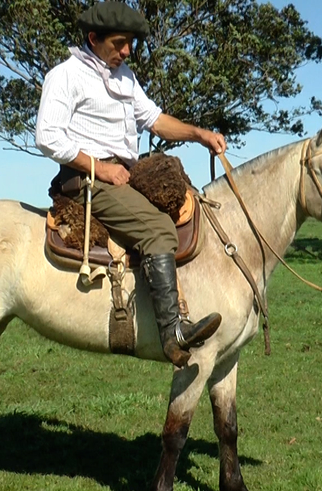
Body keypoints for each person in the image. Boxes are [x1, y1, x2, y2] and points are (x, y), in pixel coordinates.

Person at [35, 1, 225, 368]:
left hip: (122, 176)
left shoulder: (125, 78)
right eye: (119, 43)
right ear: (93, 38)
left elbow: (153, 119)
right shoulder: (66, 75)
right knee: (158, 227)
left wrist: (198, 134)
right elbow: (47, 136)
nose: (126, 51)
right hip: (86, 180)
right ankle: (173, 332)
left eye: (130, 44)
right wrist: (99, 169)